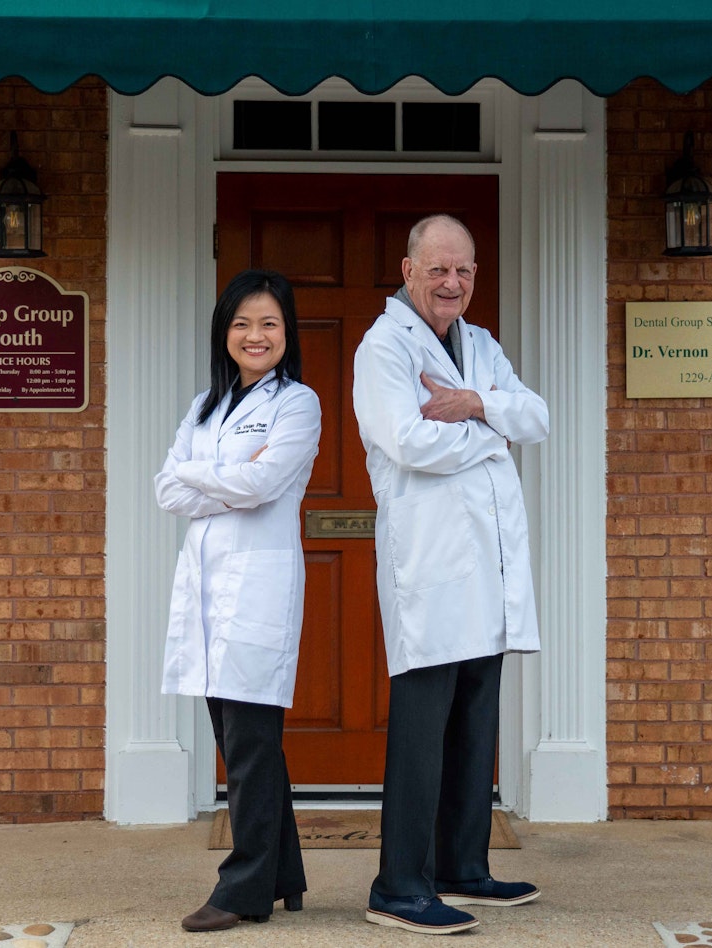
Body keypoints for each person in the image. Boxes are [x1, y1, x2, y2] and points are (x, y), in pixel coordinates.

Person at [352, 215, 550, 935]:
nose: (452, 283)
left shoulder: (480, 346)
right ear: (408, 271)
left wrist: (475, 406)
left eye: (464, 271)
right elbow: (407, 442)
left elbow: (538, 416)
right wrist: (493, 434)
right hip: (431, 566)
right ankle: (399, 886)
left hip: (486, 568)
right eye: (438, 269)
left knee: (474, 720)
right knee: (422, 729)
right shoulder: (383, 349)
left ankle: (464, 866)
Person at [155, 269, 321, 933]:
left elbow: (265, 483)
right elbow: (168, 492)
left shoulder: (297, 404)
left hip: (258, 588)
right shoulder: (204, 407)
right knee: (243, 741)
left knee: (251, 745)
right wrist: (227, 478)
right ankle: (285, 875)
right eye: (243, 324)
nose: (256, 335)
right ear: (225, 334)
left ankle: (244, 888)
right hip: (205, 592)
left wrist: (204, 479)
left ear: (287, 333)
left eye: (269, 323)